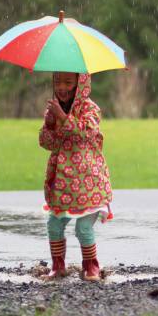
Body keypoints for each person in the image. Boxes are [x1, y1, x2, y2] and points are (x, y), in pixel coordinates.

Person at [38, 71, 113, 281]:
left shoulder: (91, 109)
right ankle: (58, 266)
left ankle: (92, 267)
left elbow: (85, 133)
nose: (61, 87)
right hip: (63, 184)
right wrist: (51, 124)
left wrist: (63, 118)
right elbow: (47, 143)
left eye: (68, 82)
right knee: (54, 224)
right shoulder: (54, 110)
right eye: (57, 81)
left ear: (80, 84)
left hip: (90, 183)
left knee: (83, 227)